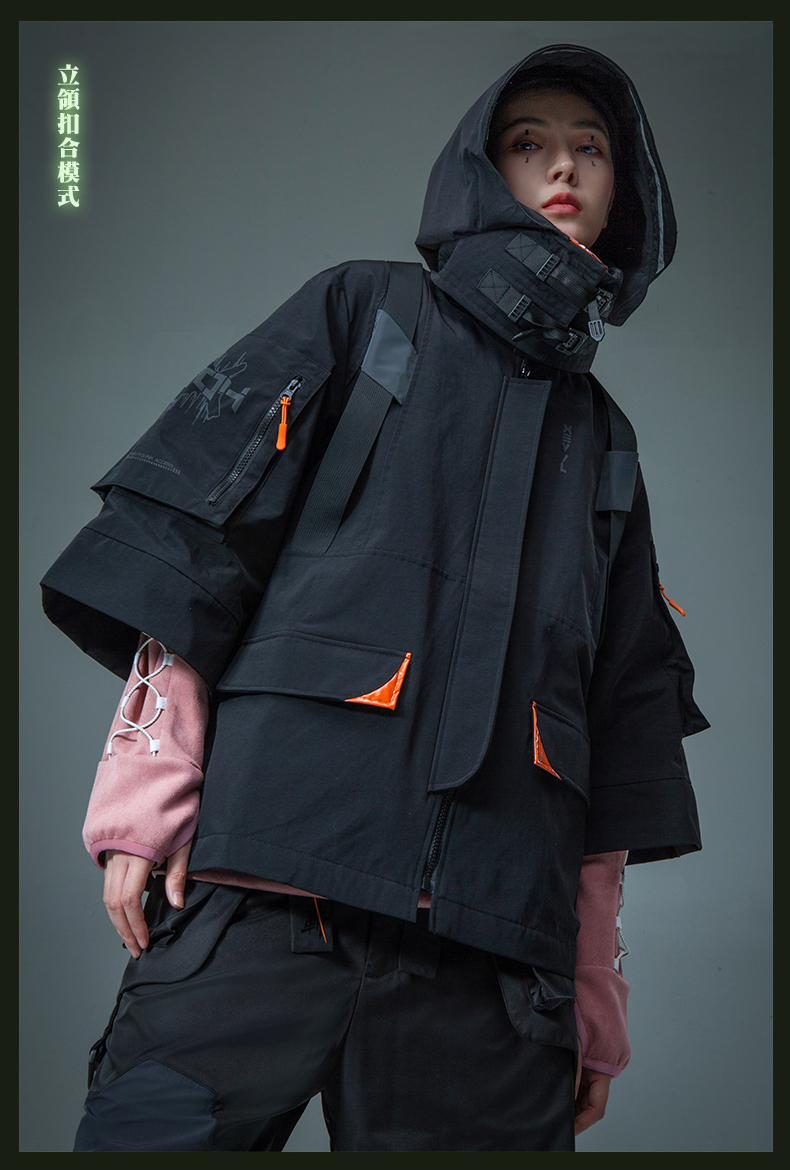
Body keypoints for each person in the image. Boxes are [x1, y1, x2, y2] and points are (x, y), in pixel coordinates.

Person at [41, 43, 707, 1152]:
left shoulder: (607, 442)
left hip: (492, 966)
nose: (562, 168)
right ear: (480, 169)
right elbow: (205, 535)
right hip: (268, 891)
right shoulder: (367, 310)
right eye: (529, 143)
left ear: (620, 190)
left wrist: (594, 981)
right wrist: (143, 793)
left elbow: (617, 713)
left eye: (590, 150)